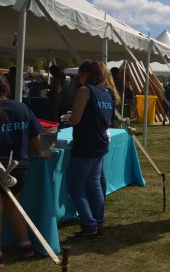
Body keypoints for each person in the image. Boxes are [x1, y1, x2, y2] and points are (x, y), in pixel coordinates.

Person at [0, 71, 43, 269]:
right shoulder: (21, 108)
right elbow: (36, 140)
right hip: (19, 168)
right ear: (6, 88)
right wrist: (40, 152)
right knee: (14, 207)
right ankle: (26, 246)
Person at [66, 60, 115, 241]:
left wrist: (69, 117)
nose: (78, 79)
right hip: (100, 143)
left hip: (85, 145)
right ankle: (98, 222)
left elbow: (76, 119)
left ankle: (89, 225)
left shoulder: (85, 91)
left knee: (76, 188)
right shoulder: (107, 92)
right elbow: (107, 120)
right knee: (94, 185)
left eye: (79, 75)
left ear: (87, 75)